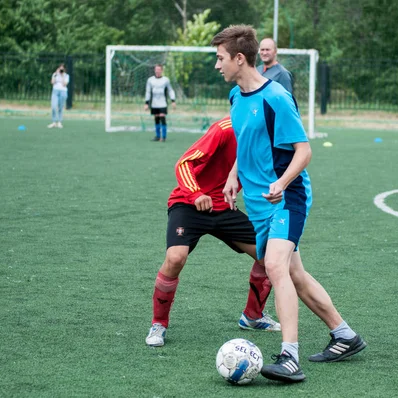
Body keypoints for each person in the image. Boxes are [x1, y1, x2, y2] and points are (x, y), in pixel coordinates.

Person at [211, 25, 366, 383]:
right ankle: (344, 335)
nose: (217, 66)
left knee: (276, 267)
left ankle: (289, 357)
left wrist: (281, 182)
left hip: (287, 197)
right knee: (294, 273)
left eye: (220, 59)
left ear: (238, 58)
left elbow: (304, 151)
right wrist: (234, 173)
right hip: (259, 203)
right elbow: (249, 143)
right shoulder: (237, 97)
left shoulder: (277, 97)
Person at [145, 116, 280, 348]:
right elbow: (184, 163)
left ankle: (253, 316)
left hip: (225, 208)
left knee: (269, 257)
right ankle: (159, 323)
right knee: (175, 257)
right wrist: (196, 194)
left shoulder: (270, 135)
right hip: (189, 203)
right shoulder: (224, 129)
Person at [144, 64, 176, 142]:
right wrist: (146, 103)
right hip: (154, 103)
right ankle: (158, 136)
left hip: (163, 103)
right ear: (154, 70)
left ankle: (164, 137)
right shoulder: (150, 80)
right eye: (156, 69)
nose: (157, 71)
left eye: (159, 69)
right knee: (156, 118)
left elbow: (170, 90)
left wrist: (173, 101)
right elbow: (148, 92)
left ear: (162, 70)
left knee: (162, 117)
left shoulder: (166, 80)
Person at [48, 64, 69, 128]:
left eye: (62, 69)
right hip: (55, 91)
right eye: (60, 69)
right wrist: (56, 74)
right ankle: (54, 122)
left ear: (64, 69)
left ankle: (59, 122)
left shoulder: (66, 76)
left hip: (63, 92)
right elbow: (52, 82)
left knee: (60, 107)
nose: (61, 70)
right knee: (54, 106)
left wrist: (62, 76)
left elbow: (65, 84)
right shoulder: (55, 74)